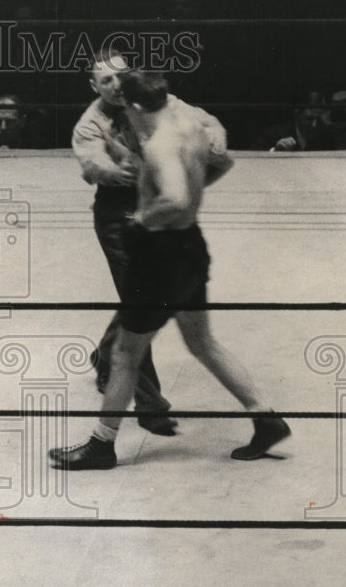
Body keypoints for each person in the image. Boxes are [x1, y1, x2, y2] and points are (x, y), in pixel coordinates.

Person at [50, 72, 290, 470]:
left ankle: (101, 445)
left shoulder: (160, 142)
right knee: (202, 344)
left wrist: (144, 217)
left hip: (159, 254)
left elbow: (175, 197)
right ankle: (265, 418)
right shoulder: (190, 127)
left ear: (138, 106)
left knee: (125, 352)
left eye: (127, 106)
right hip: (189, 247)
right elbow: (222, 164)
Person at [75, 51, 231, 436]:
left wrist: (206, 146)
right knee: (141, 303)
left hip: (160, 204)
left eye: (120, 77)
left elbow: (211, 127)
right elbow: (93, 165)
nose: (114, 85)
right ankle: (150, 404)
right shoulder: (90, 123)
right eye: (105, 80)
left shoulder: (151, 99)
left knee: (142, 299)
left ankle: (105, 354)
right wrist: (130, 168)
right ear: (94, 86)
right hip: (120, 216)